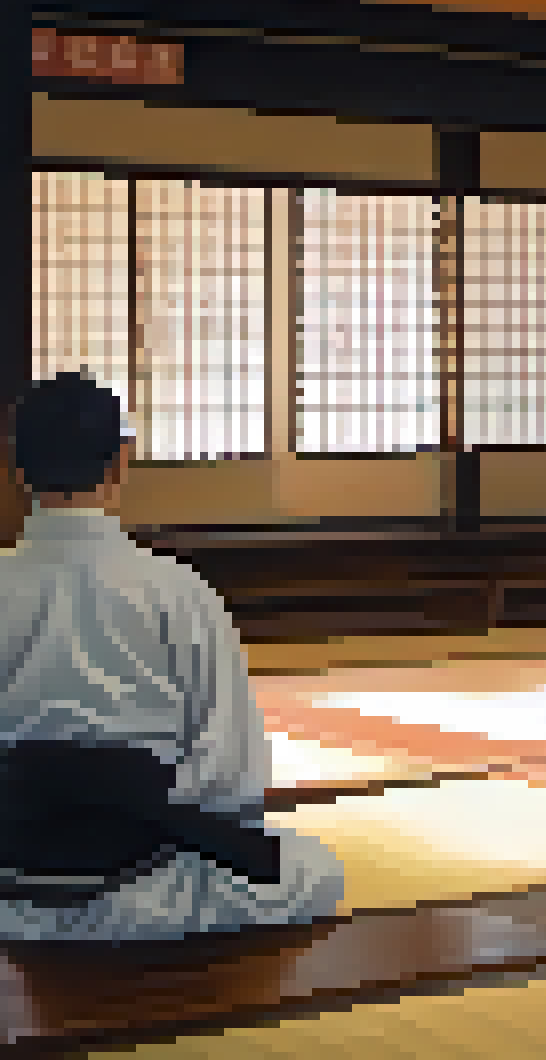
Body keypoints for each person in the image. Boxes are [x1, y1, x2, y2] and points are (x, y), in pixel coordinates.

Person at [0, 371, 345, 942]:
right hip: (143, 888)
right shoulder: (178, 590)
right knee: (314, 869)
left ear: (16, 467)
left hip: (9, 881)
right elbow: (227, 772)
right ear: (120, 463)